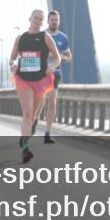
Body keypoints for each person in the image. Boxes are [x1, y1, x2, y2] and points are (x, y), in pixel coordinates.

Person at [9, 10, 60, 163]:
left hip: (40, 80)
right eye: (35, 18)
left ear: (42, 22)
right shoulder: (20, 38)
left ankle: (29, 130)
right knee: (27, 112)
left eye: (40, 19)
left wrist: (52, 67)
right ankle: (25, 149)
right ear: (29, 19)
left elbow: (57, 58)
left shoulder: (46, 37)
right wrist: (12, 65)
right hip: (23, 79)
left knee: (33, 116)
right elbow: (12, 58)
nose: (37, 21)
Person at [43, 10, 72, 143]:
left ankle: (47, 132)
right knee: (40, 101)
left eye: (56, 20)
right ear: (48, 21)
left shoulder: (63, 38)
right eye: (52, 20)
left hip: (55, 73)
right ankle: (33, 122)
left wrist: (63, 57)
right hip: (40, 73)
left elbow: (69, 56)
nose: (54, 22)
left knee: (52, 102)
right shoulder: (41, 35)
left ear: (58, 21)